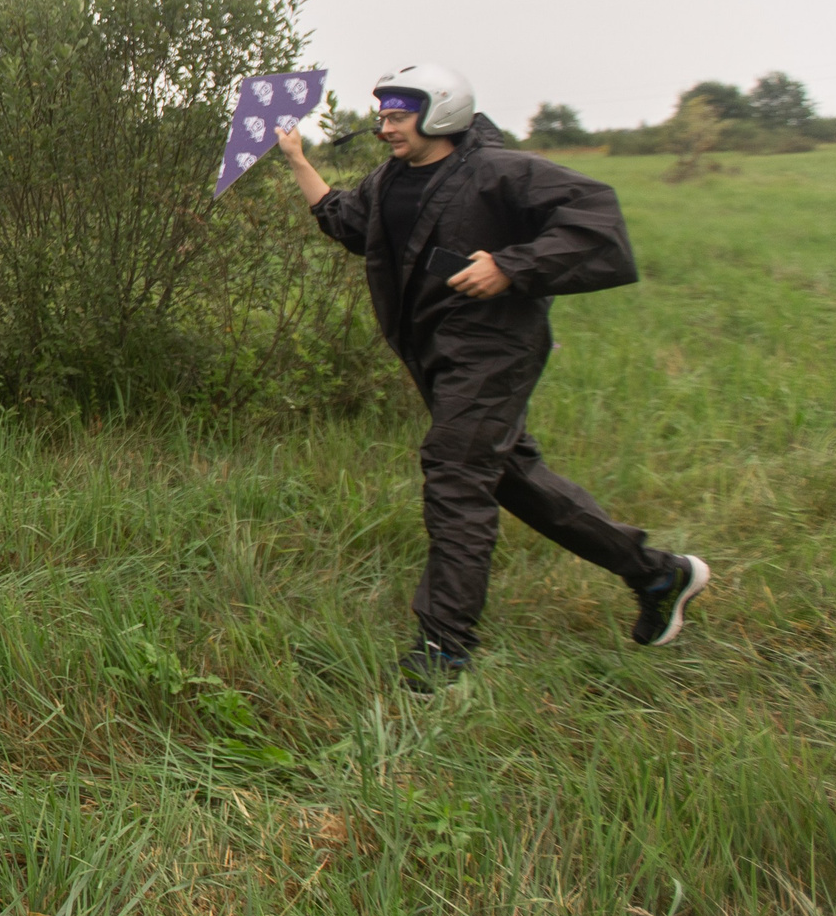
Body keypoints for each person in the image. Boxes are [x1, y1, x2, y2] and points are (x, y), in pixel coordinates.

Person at [274, 63, 709, 691]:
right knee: (510, 478)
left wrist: (512, 264)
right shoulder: (392, 179)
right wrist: (296, 159)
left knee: (454, 472)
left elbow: (597, 218)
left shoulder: (499, 172)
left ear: (441, 113)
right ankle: (658, 574)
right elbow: (348, 223)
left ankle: (445, 647)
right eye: (385, 115)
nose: (385, 126)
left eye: (398, 116)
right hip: (434, 349)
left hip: (495, 347)